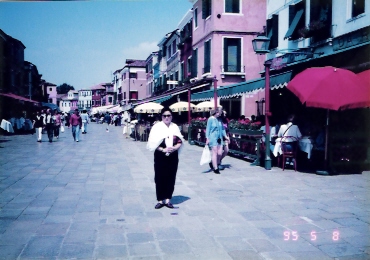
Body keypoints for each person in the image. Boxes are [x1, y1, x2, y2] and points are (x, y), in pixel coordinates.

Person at [146, 107, 184, 209]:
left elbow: (180, 141)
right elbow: (152, 143)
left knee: (171, 177)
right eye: (164, 116)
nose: (166, 117)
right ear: (161, 117)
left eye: (168, 115)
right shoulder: (156, 127)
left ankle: (168, 199)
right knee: (159, 177)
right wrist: (163, 150)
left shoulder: (175, 127)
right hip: (160, 155)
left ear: (171, 117)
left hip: (173, 155)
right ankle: (160, 200)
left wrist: (174, 148)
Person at [205, 108, 229, 174]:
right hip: (213, 137)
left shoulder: (219, 120)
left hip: (220, 137)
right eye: (218, 113)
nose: (220, 114)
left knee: (220, 153)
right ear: (215, 112)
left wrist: (226, 136)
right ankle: (215, 167)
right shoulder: (210, 119)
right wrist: (207, 138)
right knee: (214, 152)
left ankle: (215, 162)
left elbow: (222, 129)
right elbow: (208, 129)